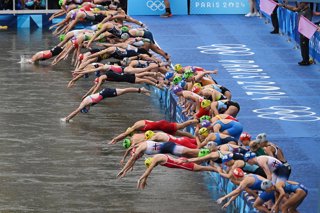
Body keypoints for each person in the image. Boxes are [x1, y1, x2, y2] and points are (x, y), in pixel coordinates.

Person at [61, 87, 150, 122]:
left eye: (87, 110)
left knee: (124, 91)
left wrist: (67, 118)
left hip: (106, 93)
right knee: (124, 91)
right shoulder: (87, 103)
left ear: (85, 108)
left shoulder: (85, 104)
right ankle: (140, 90)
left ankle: (141, 90)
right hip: (105, 92)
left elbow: (76, 112)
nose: (89, 110)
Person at [136, 154, 218, 189]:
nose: (154, 166)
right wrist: (145, 180)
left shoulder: (156, 160)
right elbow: (149, 170)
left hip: (183, 164)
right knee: (199, 162)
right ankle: (212, 160)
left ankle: (218, 170)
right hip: (181, 160)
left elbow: (149, 170)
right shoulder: (155, 157)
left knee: (203, 168)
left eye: (153, 165)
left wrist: (140, 179)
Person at [110, 119, 198, 144]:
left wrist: (116, 139)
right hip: (162, 127)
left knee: (182, 126)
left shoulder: (137, 126)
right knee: (181, 133)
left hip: (163, 125)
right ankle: (196, 139)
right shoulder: (138, 126)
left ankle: (197, 121)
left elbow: (125, 134)